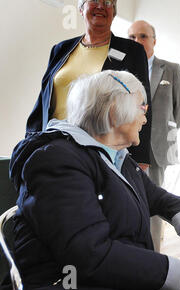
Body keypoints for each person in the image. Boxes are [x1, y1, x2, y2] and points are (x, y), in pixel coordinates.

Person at [7, 70, 180, 290]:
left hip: (108, 278)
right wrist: (172, 272)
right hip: (69, 285)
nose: (145, 119)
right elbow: (88, 254)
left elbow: (156, 196)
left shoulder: (114, 157)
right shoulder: (59, 161)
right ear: (115, 110)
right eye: (142, 108)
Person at [26, 0, 152, 168]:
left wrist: (140, 159)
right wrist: (30, 142)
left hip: (102, 150)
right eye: (94, 0)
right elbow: (43, 100)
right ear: (81, 8)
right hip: (53, 144)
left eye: (107, 2)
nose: (100, 6)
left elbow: (142, 104)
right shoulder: (61, 49)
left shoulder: (131, 51)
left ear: (113, 12)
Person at [128, 20, 180, 251]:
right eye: (132, 37)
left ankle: (152, 255)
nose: (137, 41)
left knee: (152, 203)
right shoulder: (121, 67)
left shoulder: (171, 69)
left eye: (143, 36)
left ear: (154, 40)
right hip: (123, 146)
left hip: (155, 151)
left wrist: (161, 134)